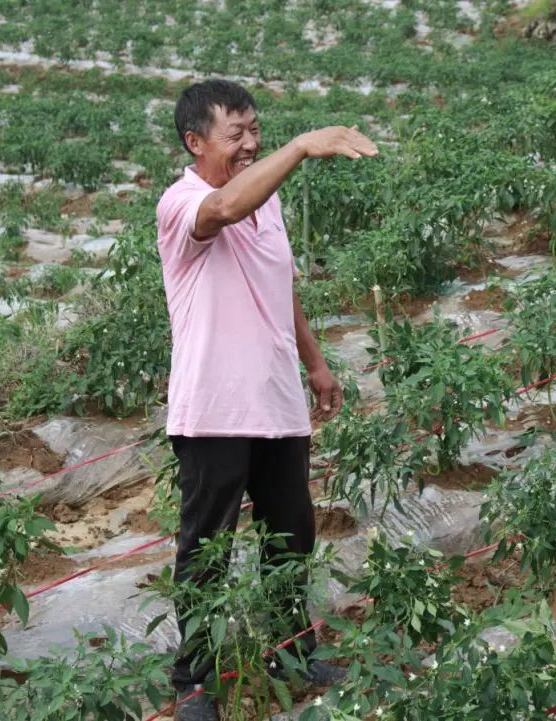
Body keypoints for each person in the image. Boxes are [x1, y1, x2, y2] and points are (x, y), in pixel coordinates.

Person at [156, 79, 378, 721]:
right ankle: (194, 683)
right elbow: (224, 209)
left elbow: (281, 285)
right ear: (195, 142)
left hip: (277, 402)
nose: (251, 143)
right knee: (207, 548)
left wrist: (316, 363)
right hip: (215, 408)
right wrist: (302, 146)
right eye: (236, 134)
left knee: (291, 535)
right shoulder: (182, 203)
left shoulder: (267, 200)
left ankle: (292, 652)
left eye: (256, 130)